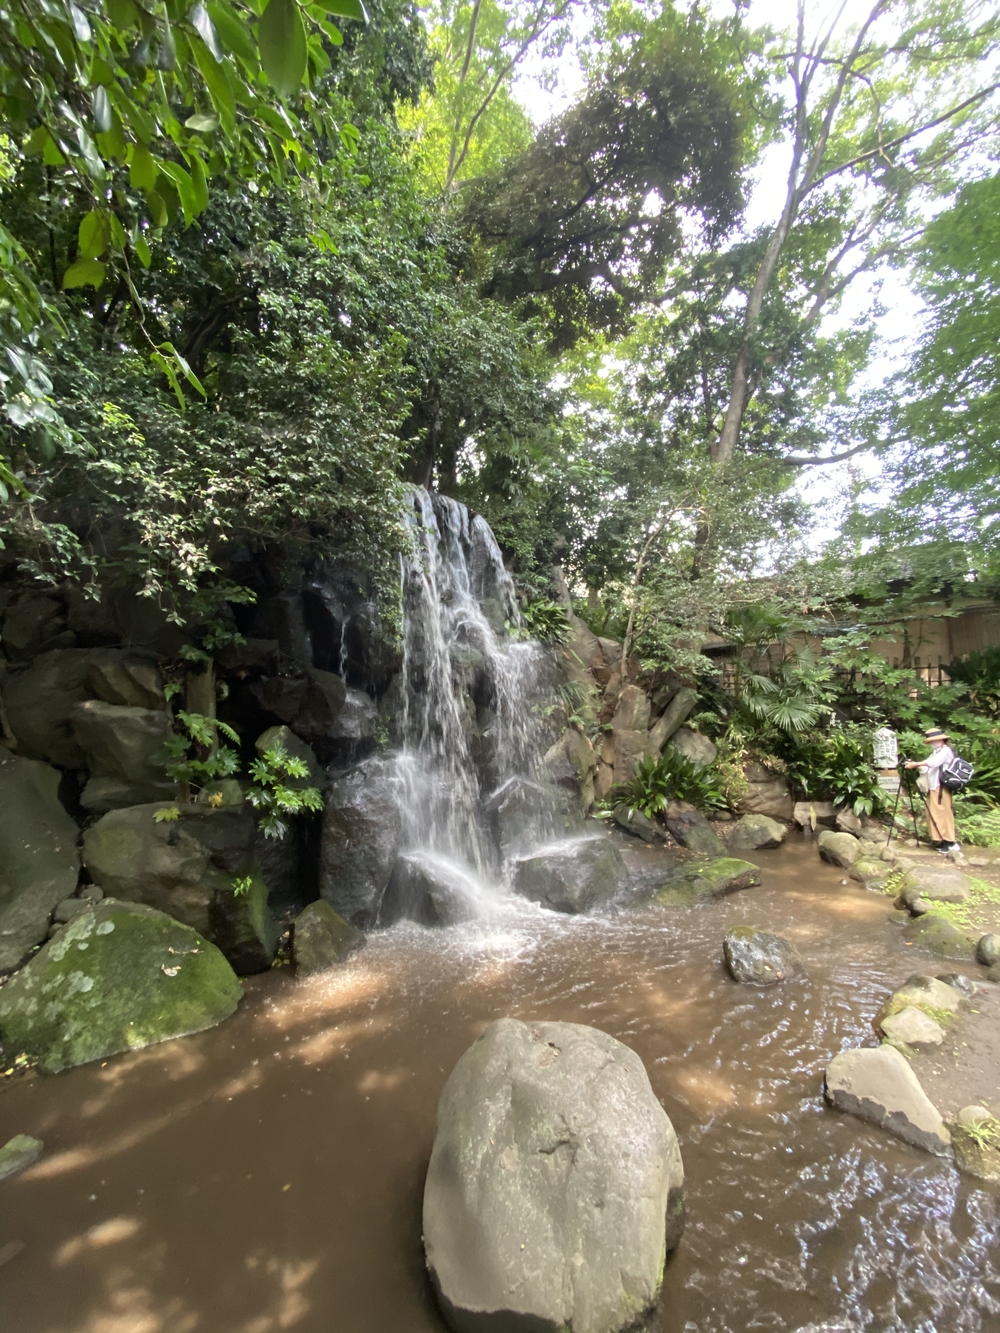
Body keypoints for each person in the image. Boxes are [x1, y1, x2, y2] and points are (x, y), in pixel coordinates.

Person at [904, 727, 959, 853]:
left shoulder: (945, 751)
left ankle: (949, 841)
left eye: (934, 741)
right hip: (933, 787)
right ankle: (940, 839)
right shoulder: (936, 752)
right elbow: (927, 768)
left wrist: (917, 764)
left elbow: (933, 763)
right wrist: (915, 765)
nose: (932, 743)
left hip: (941, 787)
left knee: (942, 813)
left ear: (941, 740)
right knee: (933, 813)